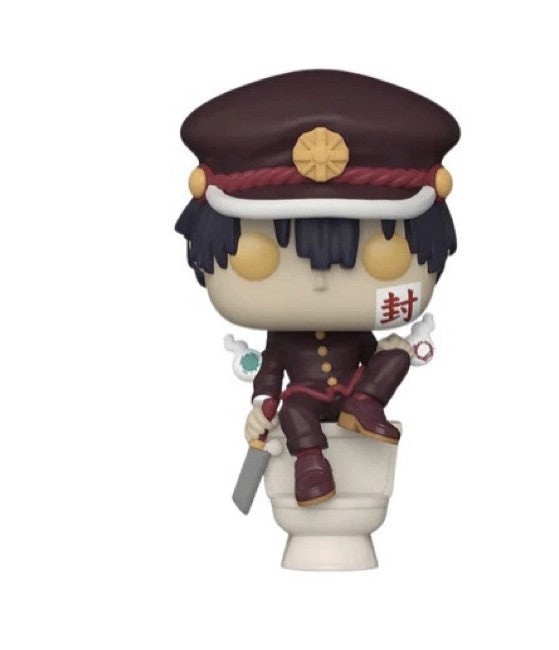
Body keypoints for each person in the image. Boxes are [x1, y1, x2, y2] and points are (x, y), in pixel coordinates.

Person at [176, 70, 460, 505]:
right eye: (259, 259)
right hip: (305, 398)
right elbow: (271, 372)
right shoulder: (283, 337)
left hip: (355, 391)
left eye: (383, 257)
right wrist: (261, 404)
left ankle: (365, 405)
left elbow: (372, 353)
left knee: (396, 353)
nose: (323, 282)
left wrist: (391, 353)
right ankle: (311, 465)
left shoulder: (356, 331)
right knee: (294, 412)